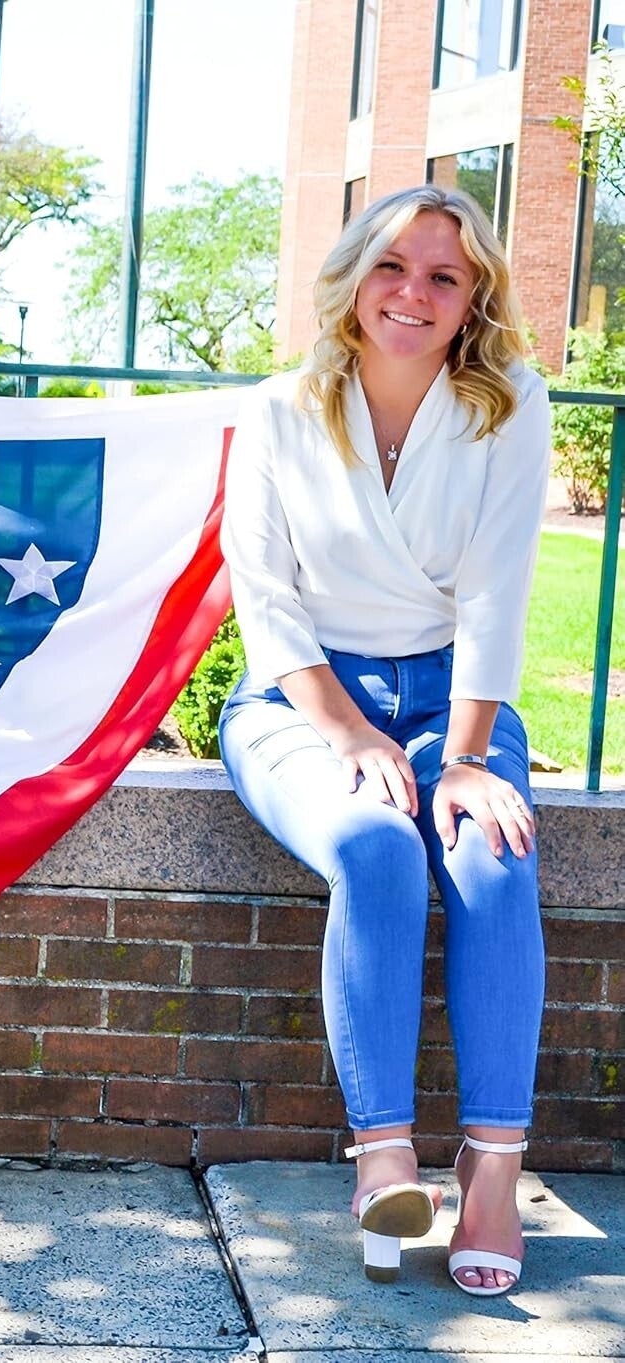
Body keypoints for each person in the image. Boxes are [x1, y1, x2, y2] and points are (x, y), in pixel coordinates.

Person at [217, 184, 549, 1298]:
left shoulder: (510, 403)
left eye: (444, 276)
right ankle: (386, 1158)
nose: (414, 293)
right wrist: (350, 731)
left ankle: (494, 1167)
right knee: (373, 843)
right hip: (301, 701)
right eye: (393, 266)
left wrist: (460, 758)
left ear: (473, 300)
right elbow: (263, 600)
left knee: (491, 857)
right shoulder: (278, 409)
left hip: (453, 704)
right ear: (355, 277)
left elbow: (497, 596)